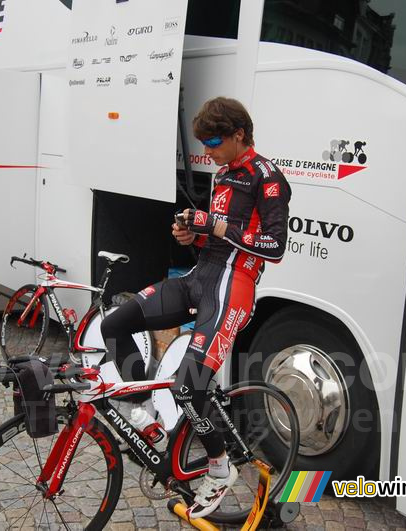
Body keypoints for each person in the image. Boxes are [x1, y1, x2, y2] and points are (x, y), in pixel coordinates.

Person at [100, 96, 291, 518]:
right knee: (115, 325)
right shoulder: (223, 174)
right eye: (203, 143)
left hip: (232, 288)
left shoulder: (268, 178)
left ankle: (221, 468)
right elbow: (217, 238)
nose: (208, 151)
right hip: (198, 277)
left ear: (240, 134)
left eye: (215, 141)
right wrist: (194, 236)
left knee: (189, 385)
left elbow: (275, 247)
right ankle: (144, 412)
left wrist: (216, 225)